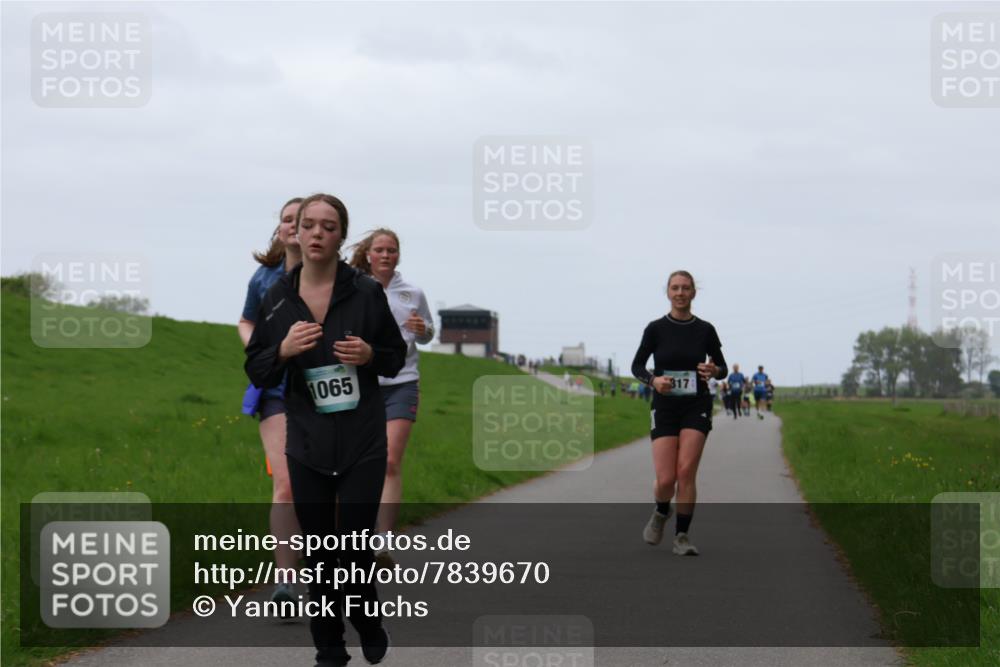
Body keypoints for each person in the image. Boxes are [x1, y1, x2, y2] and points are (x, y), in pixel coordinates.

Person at [245, 193, 407, 667]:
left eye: (328, 226)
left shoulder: (365, 292)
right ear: (296, 233)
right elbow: (256, 369)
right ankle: (329, 648)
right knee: (319, 556)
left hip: (362, 440)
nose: (316, 233)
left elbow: (394, 356)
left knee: (354, 552)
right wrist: (283, 351)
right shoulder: (278, 298)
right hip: (308, 440)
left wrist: (370, 356)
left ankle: (369, 621)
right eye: (308, 225)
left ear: (340, 236)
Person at [348, 228, 434, 567]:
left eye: (392, 250)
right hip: (364, 382)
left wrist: (422, 330)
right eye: (380, 250)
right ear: (368, 255)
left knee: (390, 460)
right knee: (356, 463)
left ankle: (382, 541)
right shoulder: (354, 287)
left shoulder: (412, 292)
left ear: (399, 255)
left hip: (403, 381)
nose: (386, 256)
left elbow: (428, 333)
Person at [238, 196, 304, 608]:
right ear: (279, 228)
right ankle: (285, 579)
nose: (295, 226)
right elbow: (246, 320)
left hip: (325, 393)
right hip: (277, 390)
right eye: (287, 220)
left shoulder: (338, 277)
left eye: (305, 220)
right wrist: (259, 349)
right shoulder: (263, 278)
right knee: (285, 484)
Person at [632, 270, 728, 556]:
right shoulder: (655, 329)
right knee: (665, 480)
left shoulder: (705, 329)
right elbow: (637, 366)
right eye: (675, 288)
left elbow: (721, 367)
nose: (680, 293)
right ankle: (662, 511)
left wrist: (714, 370)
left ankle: (682, 537)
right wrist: (653, 381)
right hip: (664, 405)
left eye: (685, 288)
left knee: (686, 471)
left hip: (696, 404)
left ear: (693, 293)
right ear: (668, 293)